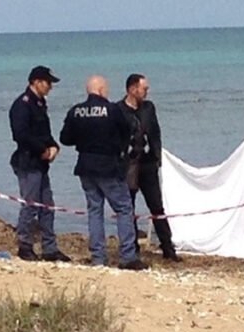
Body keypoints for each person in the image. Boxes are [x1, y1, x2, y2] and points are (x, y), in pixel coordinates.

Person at [60, 75, 149, 271]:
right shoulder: (112, 110)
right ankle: (128, 256)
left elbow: (65, 138)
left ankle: (98, 257)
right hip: (108, 165)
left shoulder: (76, 111)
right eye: (106, 89)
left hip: (85, 165)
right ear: (100, 90)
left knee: (94, 211)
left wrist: (84, 140)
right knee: (124, 208)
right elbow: (127, 131)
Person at [8, 66, 70, 262]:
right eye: (47, 82)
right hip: (28, 162)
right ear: (36, 81)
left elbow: (45, 132)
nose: (50, 87)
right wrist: (42, 150)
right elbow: (21, 134)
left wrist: (53, 146)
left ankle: (49, 248)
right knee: (30, 205)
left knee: (47, 206)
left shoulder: (40, 103)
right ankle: (25, 246)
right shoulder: (22, 105)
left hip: (41, 164)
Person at [117, 74, 181, 262]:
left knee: (157, 206)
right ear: (132, 89)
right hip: (128, 164)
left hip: (147, 163)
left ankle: (168, 247)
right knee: (128, 207)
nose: (146, 92)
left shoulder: (148, 108)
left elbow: (155, 132)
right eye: (143, 88)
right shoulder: (118, 110)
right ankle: (131, 247)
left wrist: (157, 156)